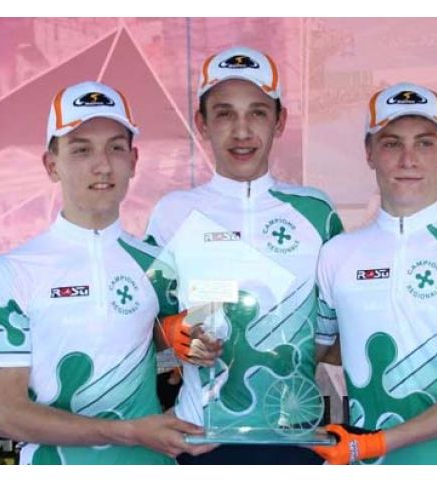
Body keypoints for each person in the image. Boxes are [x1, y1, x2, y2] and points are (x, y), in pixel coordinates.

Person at [0, 80, 216, 464]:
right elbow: (8, 414)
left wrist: (193, 344)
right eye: (81, 149)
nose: (102, 165)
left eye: (115, 148)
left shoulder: (160, 263)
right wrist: (129, 431)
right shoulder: (11, 271)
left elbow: (184, 347)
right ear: (51, 165)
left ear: (134, 161)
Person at [145, 46, 344, 464]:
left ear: (279, 121)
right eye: (224, 114)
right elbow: (145, 329)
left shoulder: (316, 212)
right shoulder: (173, 213)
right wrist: (172, 333)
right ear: (201, 123)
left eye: (257, 113)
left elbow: (339, 333)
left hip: (296, 439)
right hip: (200, 440)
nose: (241, 131)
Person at [312, 82, 437, 465]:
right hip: (365, 463)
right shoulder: (336, 253)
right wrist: (209, 349)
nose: (409, 160)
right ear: (369, 152)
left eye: (424, 143)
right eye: (392, 144)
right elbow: (310, 356)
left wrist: (374, 444)